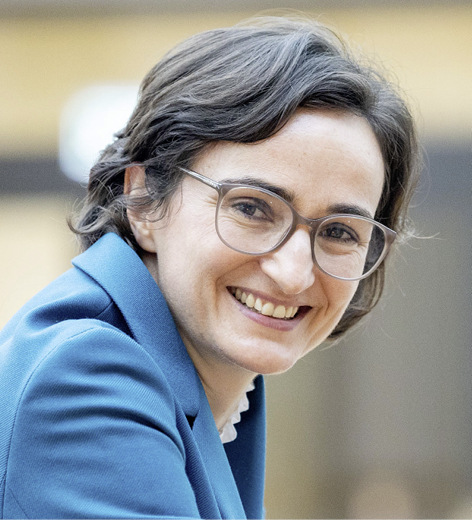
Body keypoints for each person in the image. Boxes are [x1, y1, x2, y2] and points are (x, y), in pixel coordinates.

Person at [0, 15, 419, 519]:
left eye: (339, 232)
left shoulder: (221, 391)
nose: (293, 274)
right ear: (144, 200)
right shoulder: (85, 378)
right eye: (252, 208)